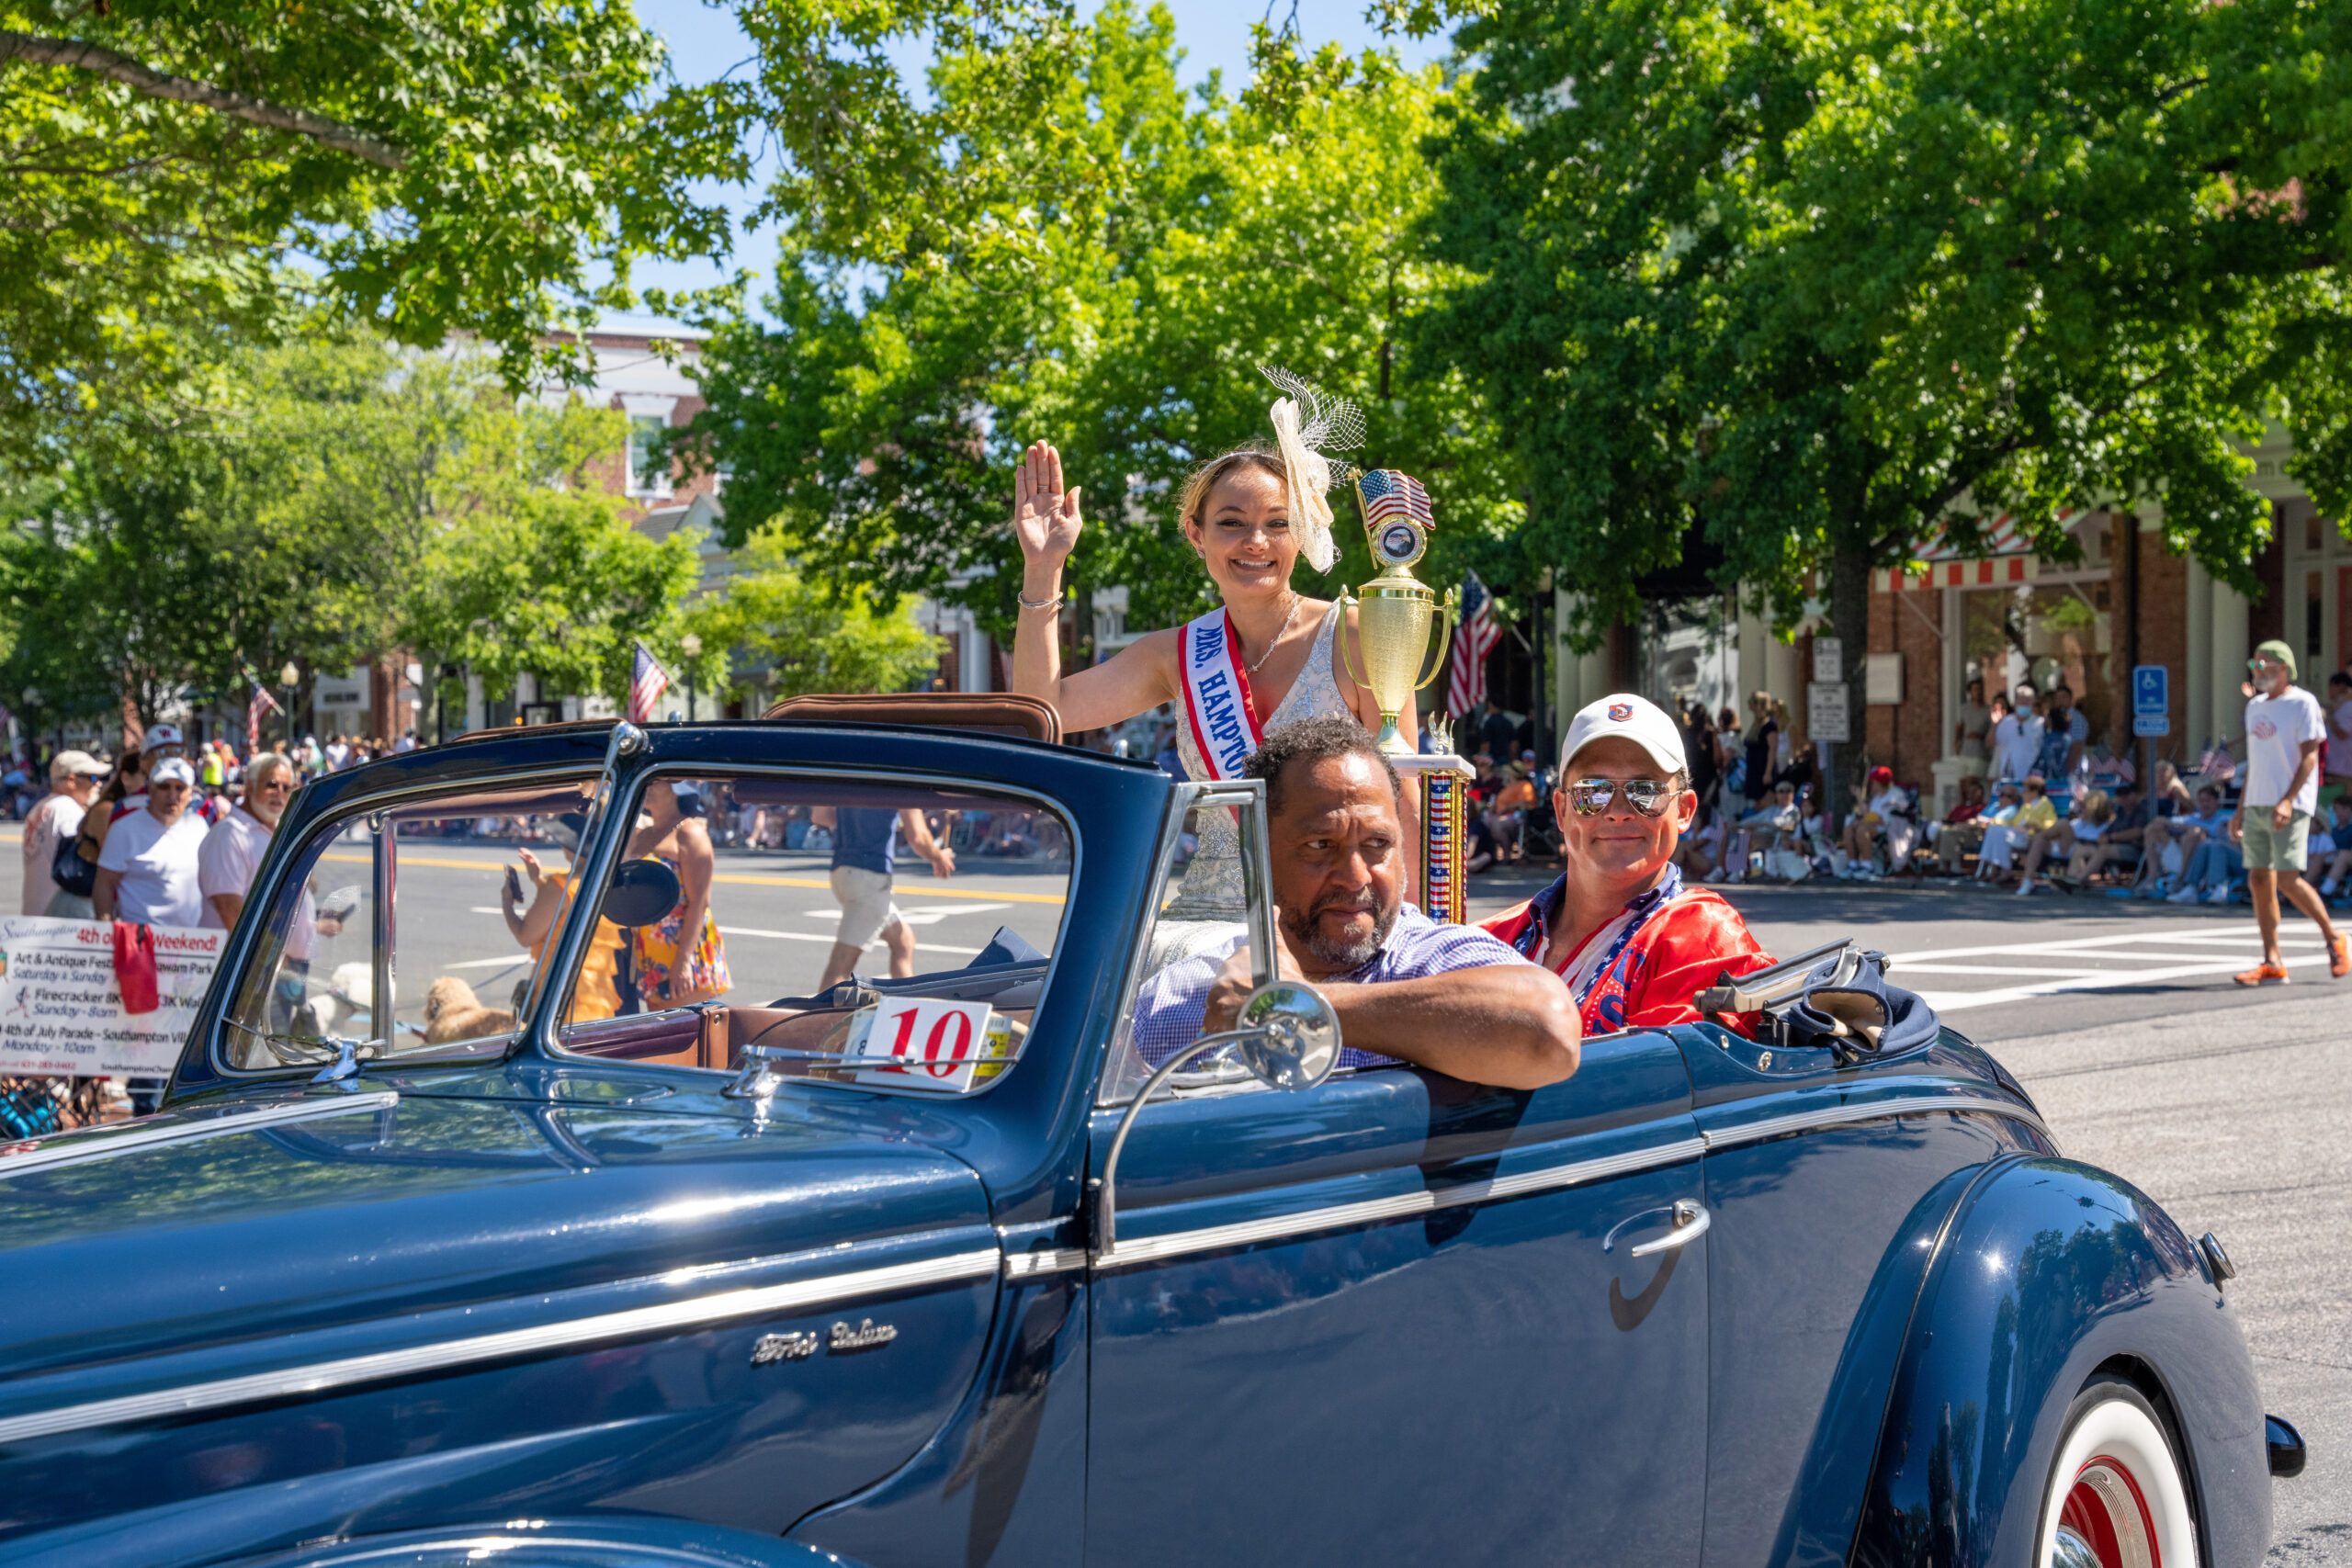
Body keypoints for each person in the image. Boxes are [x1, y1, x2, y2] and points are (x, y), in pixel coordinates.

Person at [1008, 418, 1405, 919]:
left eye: (1278, 523)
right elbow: (1042, 712)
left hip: (1334, 912)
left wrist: (1398, 936)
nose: (1256, 541)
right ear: (1197, 534)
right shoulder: (1176, 655)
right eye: (1232, 522)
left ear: (1301, 532)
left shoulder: (1357, 636)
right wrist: (1043, 569)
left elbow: (1403, 792)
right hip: (1207, 918)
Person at [1131, 717, 1579, 1088]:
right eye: (1321, 844)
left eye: (1377, 844)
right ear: (1258, 853)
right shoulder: (1178, 996)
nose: (1356, 876)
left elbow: (1548, 1030)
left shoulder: (1436, 960)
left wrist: (1291, 1007)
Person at [1481, 694, 1775, 1035]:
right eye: (1593, 792)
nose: (1618, 811)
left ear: (1683, 811)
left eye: (1645, 791)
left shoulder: (1706, 940)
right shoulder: (1492, 938)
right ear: (1561, 810)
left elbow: (1656, 1081)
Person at [2231, 641, 2348, 984]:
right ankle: (2272, 960)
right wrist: (2240, 808)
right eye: (2255, 663)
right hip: (2256, 802)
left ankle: (2333, 937)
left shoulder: (2303, 703)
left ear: (2284, 667)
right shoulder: (2255, 707)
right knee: (2258, 879)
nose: (2257, 669)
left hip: (2291, 804)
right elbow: (2255, 761)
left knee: (2287, 879)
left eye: (2264, 663)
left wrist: (2287, 800)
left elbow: (2311, 756)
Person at [813, 803, 957, 989]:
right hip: (870, 876)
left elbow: (820, 816)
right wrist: (938, 856)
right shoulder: (902, 780)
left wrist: (858, 824)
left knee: (903, 941)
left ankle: (904, 1006)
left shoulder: (857, 773)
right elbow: (918, 837)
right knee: (841, 964)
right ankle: (816, 1018)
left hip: (842, 872)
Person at [626, 781, 730, 1009]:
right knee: (659, 1034)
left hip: (683, 949)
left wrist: (683, 962)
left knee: (683, 1036)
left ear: (677, 791)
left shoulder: (690, 834)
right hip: (650, 950)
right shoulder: (644, 834)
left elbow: (700, 903)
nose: (648, 787)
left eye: (656, 782)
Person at [94, 757, 208, 927]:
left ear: (190, 793)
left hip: (190, 942)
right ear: (151, 789)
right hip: (139, 941)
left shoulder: (199, 826)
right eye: (164, 787)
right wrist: (106, 933)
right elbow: (104, 884)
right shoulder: (123, 829)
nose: (172, 795)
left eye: (180, 788)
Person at [22, 750, 104, 917]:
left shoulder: (41, 807)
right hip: (58, 919)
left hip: (34, 917)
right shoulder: (68, 810)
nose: (99, 784)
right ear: (71, 780)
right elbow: (80, 864)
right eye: (93, 778)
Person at [2015, 787, 2110, 897]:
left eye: (2084, 805)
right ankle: (2027, 881)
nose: (2080, 808)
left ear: (2094, 808)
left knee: (2063, 824)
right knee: (2040, 841)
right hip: (2065, 847)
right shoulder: (2078, 822)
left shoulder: (2104, 826)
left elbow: (2099, 842)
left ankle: (2027, 841)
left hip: (2082, 848)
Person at [1974, 775, 2055, 882]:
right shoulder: (2026, 806)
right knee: (1993, 829)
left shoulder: (2045, 804)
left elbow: (2051, 824)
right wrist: (1995, 822)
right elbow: (2013, 822)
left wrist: (2035, 826)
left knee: (2002, 834)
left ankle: (2005, 871)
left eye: (2025, 791)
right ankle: (1991, 869)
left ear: (2034, 792)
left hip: (2030, 836)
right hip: (2018, 833)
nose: (2022, 794)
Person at [1928, 775, 1991, 875]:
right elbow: (1948, 819)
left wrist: (1968, 824)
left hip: (1973, 834)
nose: (1971, 795)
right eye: (1969, 792)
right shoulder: (1960, 807)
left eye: (1975, 792)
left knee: (1947, 833)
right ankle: (1943, 865)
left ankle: (1953, 866)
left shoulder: (1983, 807)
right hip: (1955, 831)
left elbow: (1983, 822)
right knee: (1944, 830)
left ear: (1981, 793)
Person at [2036, 684, 2090, 784]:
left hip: (2072, 775)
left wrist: (2063, 777)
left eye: (2064, 697)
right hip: (2057, 776)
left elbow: (2076, 748)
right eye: (2058, 698)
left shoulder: (2076, 719)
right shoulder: (2058, 716)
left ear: (2070, 699)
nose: (2060, 701)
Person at [1992, 690, 2042, 784]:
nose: (2024, 704)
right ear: (2014, 704)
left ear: (2032, 704)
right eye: (2021, 701)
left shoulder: (2040, 723)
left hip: (2032, 779)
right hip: (2009, 778)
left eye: (2027, 702)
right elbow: (1990, 743)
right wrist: (1995, 724)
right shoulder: (2005, 722)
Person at [1740, 691, 1779, 809]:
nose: (1749, 704)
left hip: (1763, 771)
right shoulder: (1757, 724)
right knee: (1756, 806)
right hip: (1753, 771)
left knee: (1765, 805)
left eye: (1752, 701)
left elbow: (1772, 749)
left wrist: (1768, 773)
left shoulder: (1769, 725)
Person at [2324, 671, 2352, 803]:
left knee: (2344, 808)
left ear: (2341, 686)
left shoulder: (2349, 708)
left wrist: (2329, 717)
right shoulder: (2338, 708)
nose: (2329, 690)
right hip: (2331, 769)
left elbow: (2342, 734)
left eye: (2331, 686)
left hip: (2344, 773)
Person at [1954, 677, 1991, 763]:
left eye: (1980, 689)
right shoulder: (1964, 709)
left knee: (1972, 777)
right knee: (1962, 776)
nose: (1978, 692)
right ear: (1970, 692)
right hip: (1966, 751)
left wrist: (1981, 736)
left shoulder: (1988, 710)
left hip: (1981, 753)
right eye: (1975, 689)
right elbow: (1959, 727)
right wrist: (1956, 743)